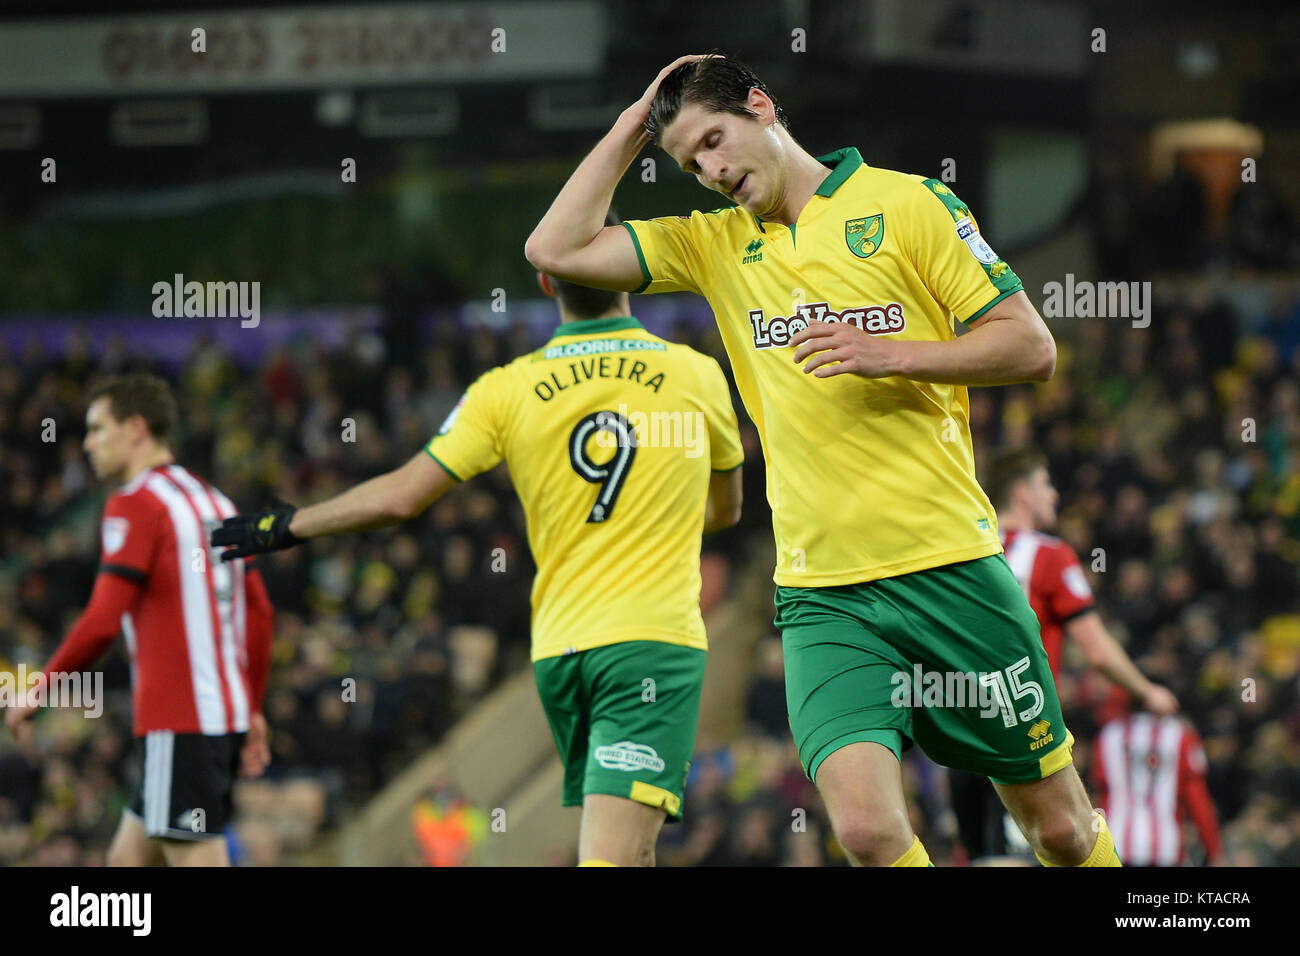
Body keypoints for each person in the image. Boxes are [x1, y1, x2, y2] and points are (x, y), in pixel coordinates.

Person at [526, 53, 1118, 866]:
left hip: (948, 565)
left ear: (763, 107)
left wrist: (895, 353)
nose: (708, 170)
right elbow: (554, 248)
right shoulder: (712, 246)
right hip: (822, 594)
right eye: (689, 162)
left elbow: (1031, 345)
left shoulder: (910, 204)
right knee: (871, 834)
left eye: (713, 140)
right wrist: (635, 127)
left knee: (1060, 830)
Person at [211, 244, 744, 867]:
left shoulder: (507, 387)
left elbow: (402, 496)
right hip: (648, 647)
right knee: (615, 856)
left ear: (545, 281)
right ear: (633, 271)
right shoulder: (694, 372)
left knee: (635, 845)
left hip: (559, 652)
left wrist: (291, 525)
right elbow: (726, 511)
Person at [3, 373, 274, 866]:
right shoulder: (218, 503)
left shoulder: (135, 505)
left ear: (135, 428)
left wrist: (38, 689)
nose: (87, 444)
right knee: (125, 864)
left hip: (180, 720)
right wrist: (251, 707)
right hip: (216, 719)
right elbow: (259, 614)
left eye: (97, 429)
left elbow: (103, 622)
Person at [949, 447, 1178, 863]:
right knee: (1041, 849)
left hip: (956, 722)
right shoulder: (1050, 555)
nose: (1053, 495)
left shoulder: (958, 551)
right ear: (1021, 493)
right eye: (1045, 484)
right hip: (1021, 727)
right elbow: (1096, 649)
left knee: (981, 854)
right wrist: (1147, 691)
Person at [1091, 702, 1223, 866]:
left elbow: (1098, 795)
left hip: (1116, 846)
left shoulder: (1109, 735)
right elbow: (1198, 802)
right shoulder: (1181, 736)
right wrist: (1214, 850)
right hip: (1166, 849)